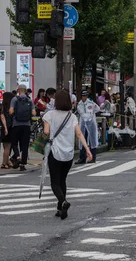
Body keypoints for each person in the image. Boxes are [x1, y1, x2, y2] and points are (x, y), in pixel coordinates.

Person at [42, 90, 93, 220]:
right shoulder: (72, 117)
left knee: (55, 182)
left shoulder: (50, 115)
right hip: (68, 153)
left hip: (55, 152)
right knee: (62, 180)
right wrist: (87, 149)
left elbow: (46, 132)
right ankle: (60, 209)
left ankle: (63, 202)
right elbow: (79, 134)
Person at [9, 84, 36, 171]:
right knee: (24, 145)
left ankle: (17, 157)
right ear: (25, 90)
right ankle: (23, 164)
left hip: (16, 125)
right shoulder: (29, 100)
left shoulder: (14, 99)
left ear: (18, 90)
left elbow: (11, 111)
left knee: (14, 143)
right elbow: (34, 113)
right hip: (26, 125)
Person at [75, 91, 100, 164]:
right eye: (83, 96)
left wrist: (92, 114)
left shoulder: (91, 103)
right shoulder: (79, 104)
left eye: (85, 96)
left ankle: (93, 157)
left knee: (93, 140)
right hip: (83, 124)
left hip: (91, 124)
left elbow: (97, 109)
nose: (84, 97)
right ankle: (82, 158)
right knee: (83, 140)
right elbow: (81, 113)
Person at [0, 95, 11, 169]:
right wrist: (6, 128)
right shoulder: (11, 108)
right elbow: (2, 117)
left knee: (4, 146)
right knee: (7, 147)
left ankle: (6, 162)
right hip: (5, 129)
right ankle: (4, 163)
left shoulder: (2, 106)